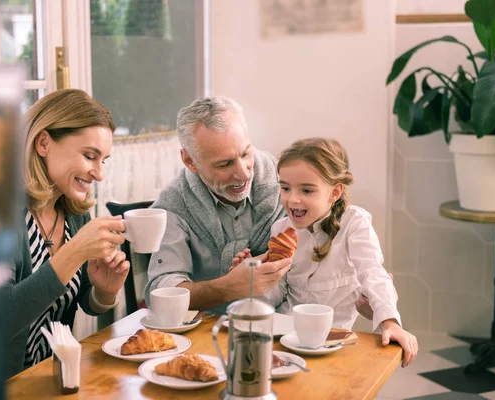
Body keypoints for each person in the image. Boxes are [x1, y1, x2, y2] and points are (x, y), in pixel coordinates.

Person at [260, 137, 418, 367]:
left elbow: (372, 272)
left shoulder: (354, 224)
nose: (292, 199)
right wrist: (256, 275)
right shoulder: (281, 230)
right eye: (285, 188)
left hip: (331, 343)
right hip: (282, 337)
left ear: (334, 192)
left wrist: (391, 323)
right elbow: (274, 296)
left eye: (306, 190)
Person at [4, 89, 129, 377]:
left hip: (52, 380)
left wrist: (104, 290)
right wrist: (74, 253)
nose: (99, 174)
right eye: (89, 156)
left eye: (103, 160)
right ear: (44, 142)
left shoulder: (73, 211)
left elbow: (82, 301)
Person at [144, 96, 292, 311]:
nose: (243, 173)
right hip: (207, 332)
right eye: (225, 164)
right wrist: (228, 288)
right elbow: (161, 293)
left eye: (245, 153)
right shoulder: (172, 206)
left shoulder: (288, 183)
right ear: (190, 161)